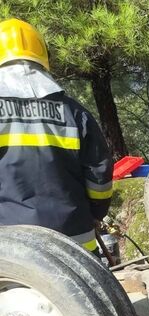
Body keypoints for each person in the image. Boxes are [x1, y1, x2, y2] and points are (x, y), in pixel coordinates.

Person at [0, 18, 113, 251]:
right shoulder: (74, 111)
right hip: (77, 245)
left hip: (12, 251)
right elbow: (99, 175)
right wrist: (95, 213)